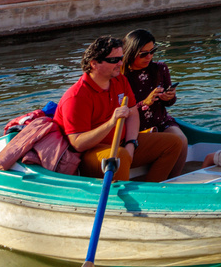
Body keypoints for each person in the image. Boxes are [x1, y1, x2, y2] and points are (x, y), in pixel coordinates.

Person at [55, 35, 185, 182]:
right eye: (113, 60)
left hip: (122, 143)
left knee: (174, 143)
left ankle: (151, 189)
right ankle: (124, 198)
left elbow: (133, 112)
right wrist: (111, 123)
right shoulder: (76, 96)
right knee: (120, 155)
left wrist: (131, 143)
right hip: (90, 154)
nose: (120, 63)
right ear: (94, 64)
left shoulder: (120, 80)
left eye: (121, 58)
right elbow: (78, 144)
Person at [123, 29, 187, 178]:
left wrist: (169, 97)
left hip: (160, 120)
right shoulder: (121, 77)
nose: (149, 57)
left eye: (152, 51)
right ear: (131, 52)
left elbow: (169, 104)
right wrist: (144, 103)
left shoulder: (160, 69)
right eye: (144, 54)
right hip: (135, 127)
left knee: (181, 140)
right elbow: (122, 112)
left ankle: (173, 180)